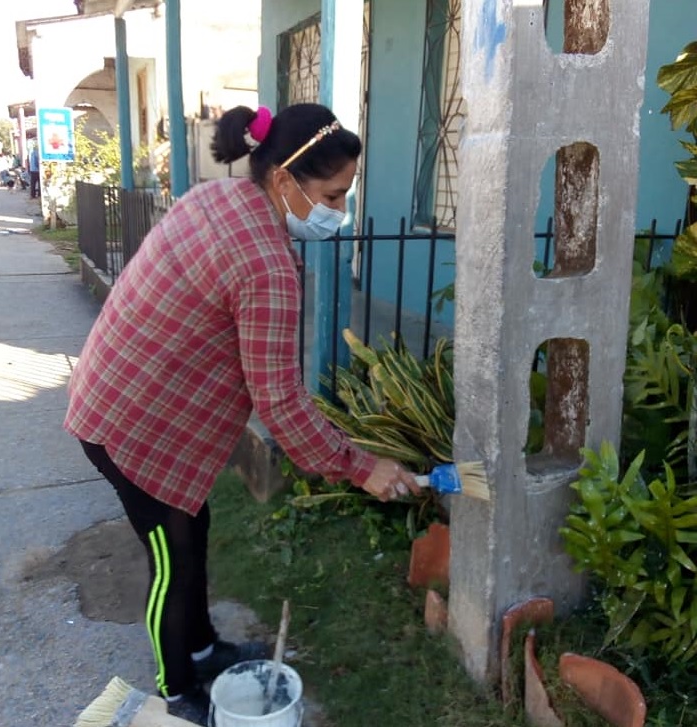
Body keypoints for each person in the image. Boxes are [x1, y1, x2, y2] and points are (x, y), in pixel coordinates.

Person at [63, 102, 419, 724]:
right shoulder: (268, 266)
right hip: (129, 425)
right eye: (333, 195)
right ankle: (179, 693)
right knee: (170, 560)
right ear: (283, 179)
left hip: (139, 401)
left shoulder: (219, 199)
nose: (340, 211)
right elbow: (280, 402)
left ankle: (205, 648)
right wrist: (360, 467)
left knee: (192, 529)